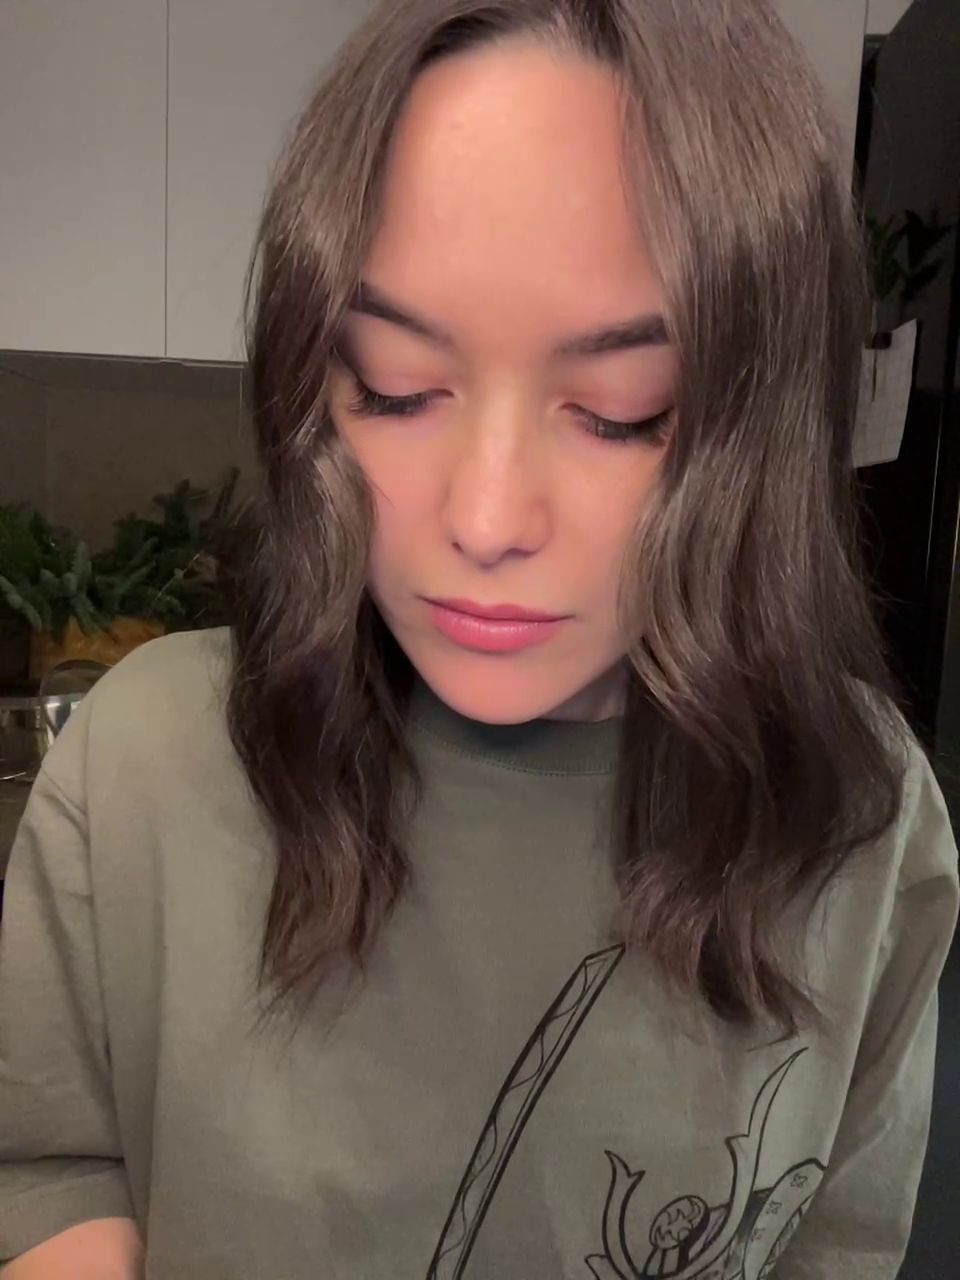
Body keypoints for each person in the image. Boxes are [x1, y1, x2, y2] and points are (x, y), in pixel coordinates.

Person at [1, 1, 957, 1276]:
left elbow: (834, 1241)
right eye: (397, 388)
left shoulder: (863, 812)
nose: (488, 518)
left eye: (622, 411)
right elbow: (53, 1165)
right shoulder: (144, 762)